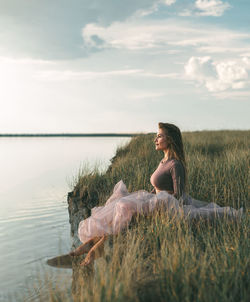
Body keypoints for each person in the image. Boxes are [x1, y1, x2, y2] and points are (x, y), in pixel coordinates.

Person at [70, 122, 243, 266]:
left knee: (123, 207)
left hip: (167, 206)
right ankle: (90, 246)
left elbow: (179, 196)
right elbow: (157, 188)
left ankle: (91, 253)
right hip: (157, 200)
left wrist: (155, 203)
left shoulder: (176, 165)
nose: (155, 139)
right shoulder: (163, 161)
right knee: (120, 203)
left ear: (170, 139)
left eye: (159, 136)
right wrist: (146, 196)